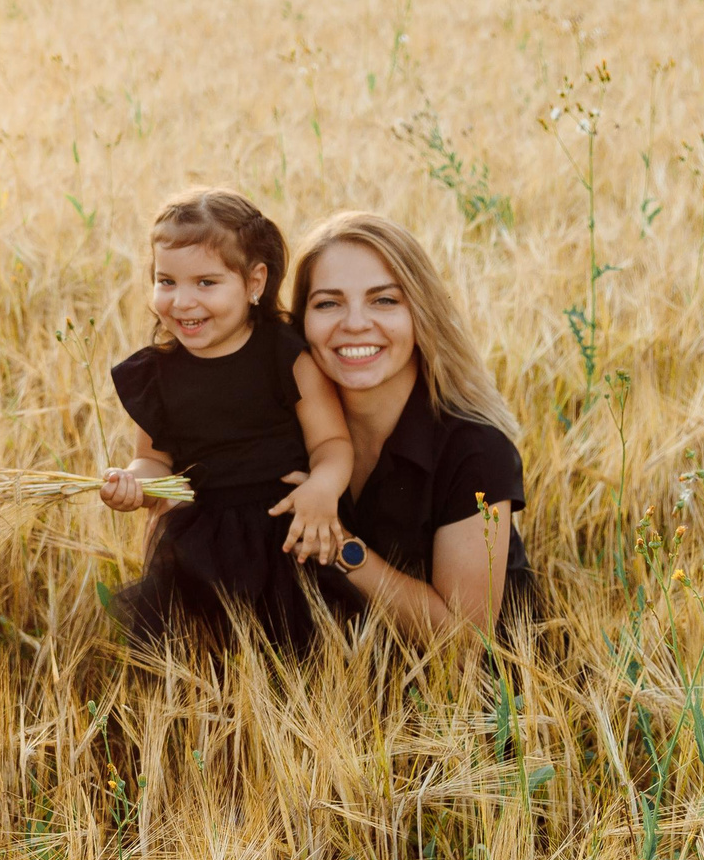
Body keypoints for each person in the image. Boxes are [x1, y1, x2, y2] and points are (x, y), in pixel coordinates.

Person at [99, 189, 356, 652]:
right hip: (201, 542)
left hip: (290, 532)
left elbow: (332, 444)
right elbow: (153, 462)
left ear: (254, 281)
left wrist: (323, 488)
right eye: (166, 281)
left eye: (206, 283)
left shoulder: (285, 356)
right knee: (209, 659)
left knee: (302, 657)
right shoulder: (157, 374)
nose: (181, 301)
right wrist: (132, 484)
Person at [288, 211, 534, 643]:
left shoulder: (475, 452)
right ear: (302, 322)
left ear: (421, 313)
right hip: (330, 694)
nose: (355, 323)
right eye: (328, 303)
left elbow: (466, 640)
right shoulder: (287, 431)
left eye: (384, 300)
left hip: (476, 704)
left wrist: (339, 542)